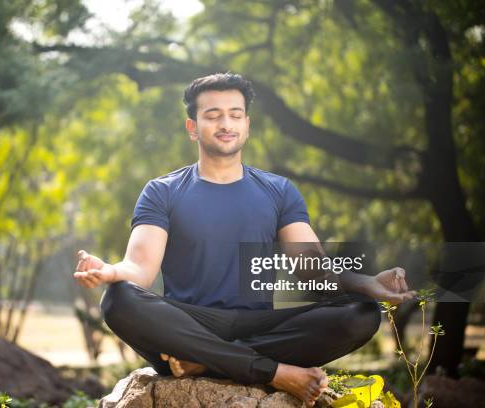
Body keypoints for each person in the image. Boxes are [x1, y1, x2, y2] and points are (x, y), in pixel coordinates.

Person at [74, 73, 415, 407]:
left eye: (235, 115)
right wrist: (112, 272)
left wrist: (366, 282)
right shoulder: (162, 192)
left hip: (255, 323)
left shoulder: (279, 191)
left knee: (360, 313)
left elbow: (312, 270)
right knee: (117, 299)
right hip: (190, 325)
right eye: (213, 115)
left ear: (247, 125)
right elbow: (140, 267)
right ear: (192, 127)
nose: (226, 124)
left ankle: (206, 363)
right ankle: (273, 371)